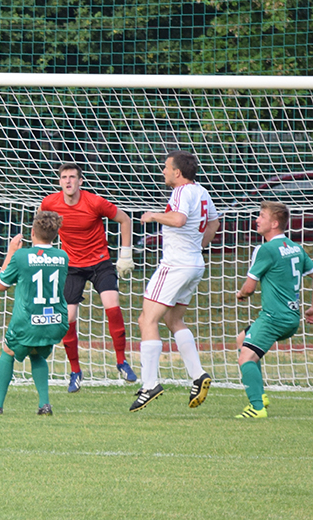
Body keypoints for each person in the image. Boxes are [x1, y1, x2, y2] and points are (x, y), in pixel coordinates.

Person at [130, 150, 220, 412]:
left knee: (147, 320)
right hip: (194, 264)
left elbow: (179, 220)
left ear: (177, 173)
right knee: (173, 320)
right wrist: (196, 247)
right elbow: (213, 224)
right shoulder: (202, 192)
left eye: (166, 168)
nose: (163, 172)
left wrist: (153, 215)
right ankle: (198, 374)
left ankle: (149, 384)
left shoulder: (181, 192)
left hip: (175, 264)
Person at [39, 163, 137, 393]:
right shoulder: (49, 203)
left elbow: (125, 220)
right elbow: (42, 227)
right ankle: (75, 371)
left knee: (111, 304)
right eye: (64, 177)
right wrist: (41, 253)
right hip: (71, 265)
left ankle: (122, 362)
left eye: (73, 177)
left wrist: (125, 255)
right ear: (59, 181)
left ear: (81, 181)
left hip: (100, 262)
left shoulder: (95, 202)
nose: (68, 181)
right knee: (68, 317)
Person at [235, 201, 313, 418]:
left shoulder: (266, 250)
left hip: (273, 318)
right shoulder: (296, 248)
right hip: (292, 318)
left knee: (246, 358)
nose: (257, 220)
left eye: (261, 216)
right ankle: (261, 394)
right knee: (243, 339)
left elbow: (249, 288)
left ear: (275, 223)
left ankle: (257, 407)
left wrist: (241, 294)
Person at [0, 211, 69, 416]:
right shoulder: (62, 256)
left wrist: (11, 252)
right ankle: (45, 404)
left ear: (32, 232)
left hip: (28, 321)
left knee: (7, 351)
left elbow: (1, 285)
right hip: (54, 321)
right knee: (36, 352)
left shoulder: (22, 256)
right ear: (56, 234)